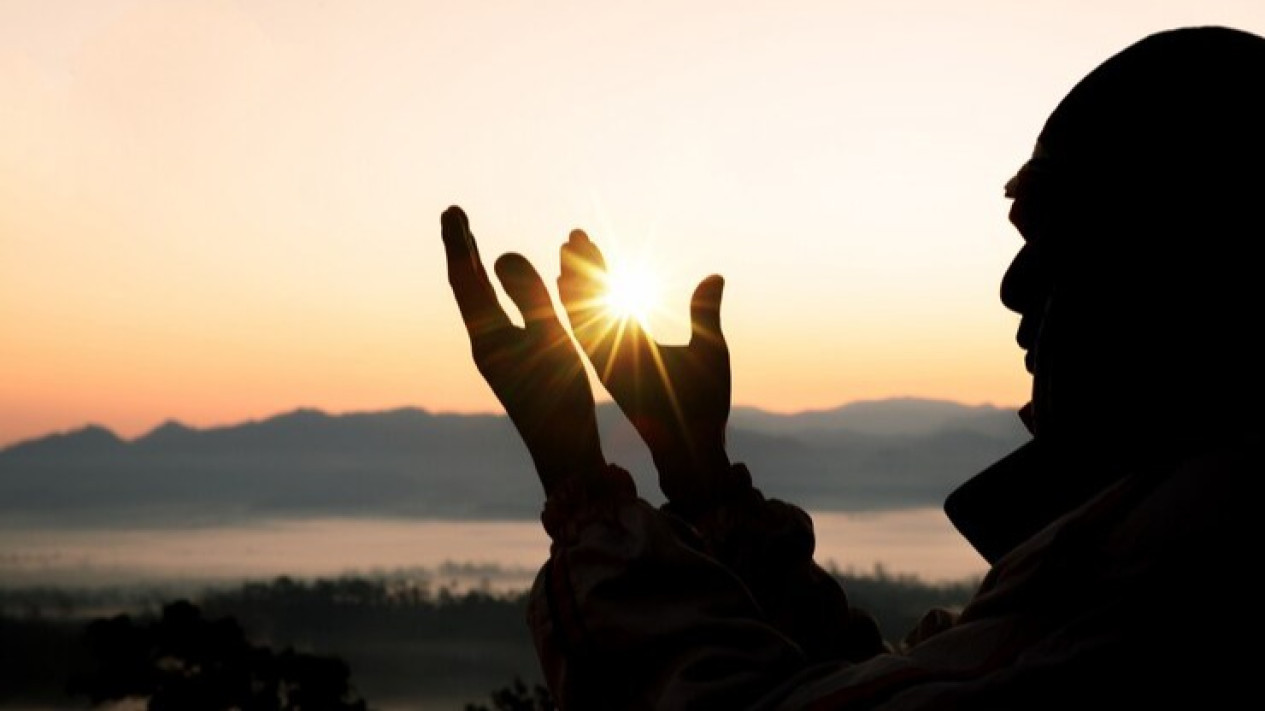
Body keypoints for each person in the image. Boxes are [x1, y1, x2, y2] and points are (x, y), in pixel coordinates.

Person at [441, 25, 1263, 709]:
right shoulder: (1144, 534)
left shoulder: (1193, 565)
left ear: (1188, 253)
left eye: (1062, 234)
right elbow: (872, 685)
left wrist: (580, 488)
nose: (1015, 287)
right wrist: (698, 477)